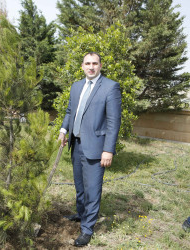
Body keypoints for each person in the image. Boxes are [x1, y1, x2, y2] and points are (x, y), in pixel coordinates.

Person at [58, 52, 122, 247]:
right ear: (82, 66)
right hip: (76, 144)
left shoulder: (110, 87)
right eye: (88, 63)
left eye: (95, 63)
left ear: (100, 65)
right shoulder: (76, 86)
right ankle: (81, 214)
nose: (91, 67)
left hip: (96, 147)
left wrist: (108, 150)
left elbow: (113, 121)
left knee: (92, 190)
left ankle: (87, 229)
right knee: (80, 186)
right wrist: (63, 130)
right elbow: (71, 110)